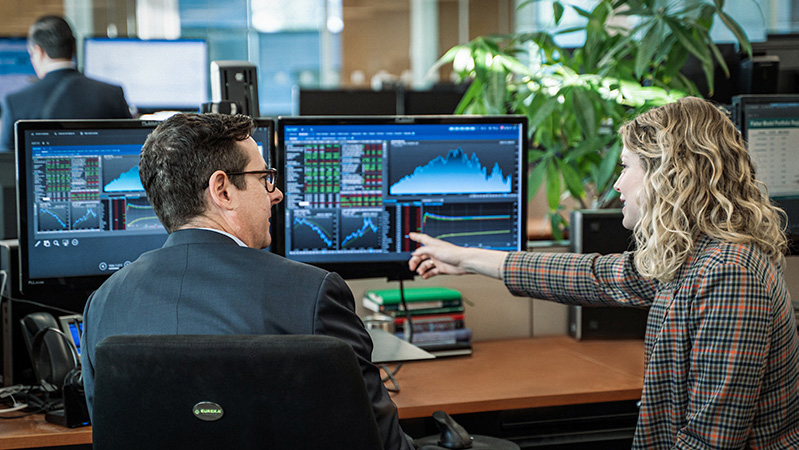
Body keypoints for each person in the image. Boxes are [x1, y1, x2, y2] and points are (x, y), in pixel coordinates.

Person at [408, 97, 799, 449]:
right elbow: (594, 276)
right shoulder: (696, 258)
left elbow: (710, 442)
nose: (617, 183)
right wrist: (468, 259)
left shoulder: (729, 274)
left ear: (668, 175)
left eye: (626, 166)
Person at [80, 113, 412, 450]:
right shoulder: (312, 293)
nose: (276, 193)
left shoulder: (103, 303)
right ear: (222, 190)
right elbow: (382, 442)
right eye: (264, 178)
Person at [0, 15, 131, 151]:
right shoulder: (112, 94)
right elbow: (133, 147)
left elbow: (6, 160)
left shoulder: (15, 103)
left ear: (39, 51)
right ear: (74, 48)